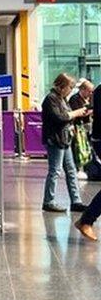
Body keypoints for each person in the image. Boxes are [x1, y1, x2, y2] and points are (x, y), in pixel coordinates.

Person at [42, 73, 91, 213]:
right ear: (62, 86)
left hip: (65, 139)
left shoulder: (62, 99)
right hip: (56, 139)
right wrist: (76, 113)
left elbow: (67, 116)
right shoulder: (51, 99)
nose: (71, 90)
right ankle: (49, 201)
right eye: (70, 87)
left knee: (71, 170)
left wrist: (77, 115)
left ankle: (76, 201)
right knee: (55, 171)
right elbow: (61, 117)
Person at [68, 79, 94, 177]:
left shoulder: (91, 98)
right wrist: (87, 112)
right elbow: (76, 113)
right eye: (89, 91)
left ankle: (89, 168)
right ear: (83, 89)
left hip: (89, 125)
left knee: (89, 148)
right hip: (78, 126)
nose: (91, 93)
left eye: (92, 91)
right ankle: (78, 168)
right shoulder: (74, 99)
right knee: (78, 147)